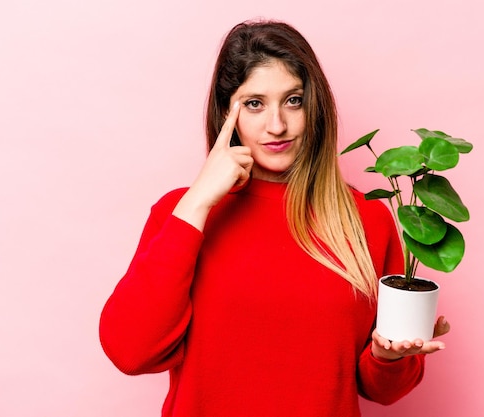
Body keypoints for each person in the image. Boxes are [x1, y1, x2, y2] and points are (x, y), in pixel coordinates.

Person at [99, 19, 450, 417]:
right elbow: (130, 352)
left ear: (313, 106)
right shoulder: (181, 213)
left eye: (293, 100)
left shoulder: (367, 218)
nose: (277, 125)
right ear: (226, 113)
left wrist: (388, 359)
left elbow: (381, 390)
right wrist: (197, 203)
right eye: (254, 104)